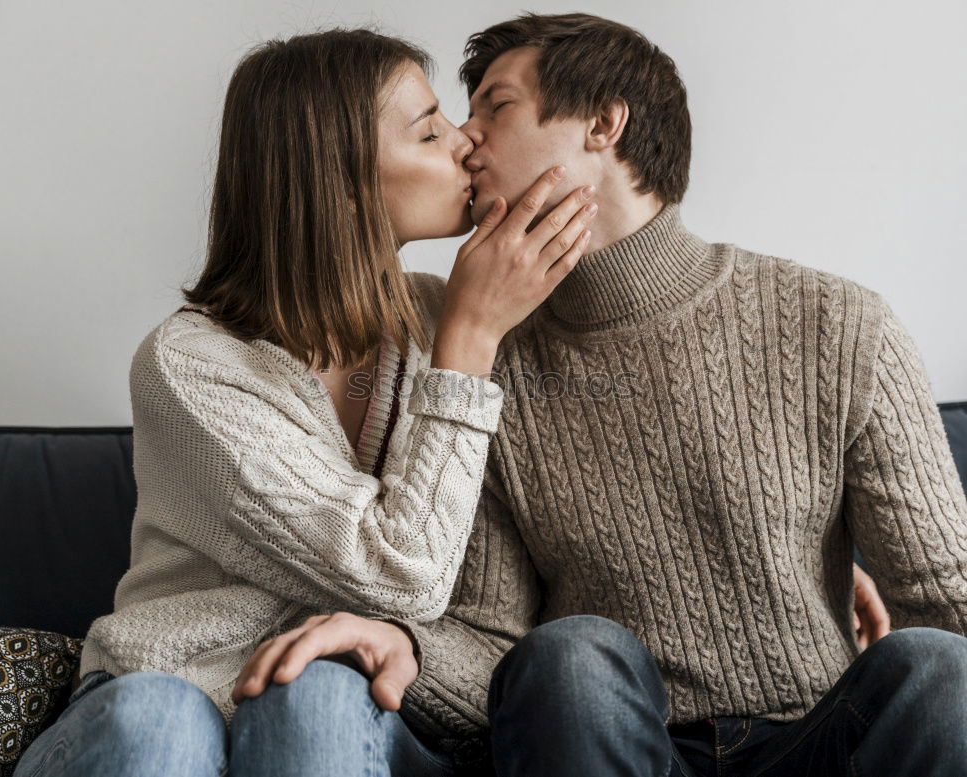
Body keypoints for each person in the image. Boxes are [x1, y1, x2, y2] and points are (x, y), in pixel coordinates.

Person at [239, 12, 967, 777]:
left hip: (821, 737)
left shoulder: (838, 324)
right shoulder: (481, 362)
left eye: (496, 104)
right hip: (612, 741)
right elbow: (494, 633)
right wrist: (401, 641)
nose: (465, 136)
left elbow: (945, 599)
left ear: (603, 122)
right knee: (570, 653)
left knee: (939, 667)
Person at [12, 28, 599, 777]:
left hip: (348, 709)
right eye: (430, 130)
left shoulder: (441, 322)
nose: (466, 143)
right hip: (166, 692)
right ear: (344, 182)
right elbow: (403, 574)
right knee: (163, 719)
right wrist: (471, 341)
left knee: (318, 696)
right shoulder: (191, 363)